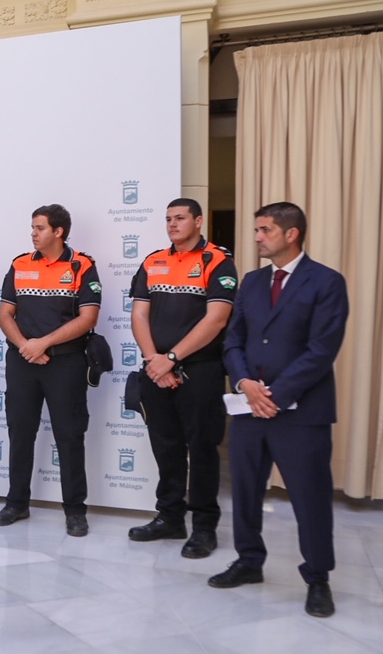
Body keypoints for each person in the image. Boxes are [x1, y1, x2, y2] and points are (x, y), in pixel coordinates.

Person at [211, 202, 348, 618]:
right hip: (249, 407)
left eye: (264, 230)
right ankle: (249, 561)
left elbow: (322, 349)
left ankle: (318, 577)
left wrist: (275, 394)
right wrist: (245, 384)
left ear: (292, 234)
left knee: (310, 498)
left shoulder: (326, 282)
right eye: (256, 230)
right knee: (247, 491)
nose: (256, 237)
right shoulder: (251, 282)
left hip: (302, 412)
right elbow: (233, 339)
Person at [128, 198, 237, 557]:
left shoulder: (218, 261)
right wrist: (154, 361)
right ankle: (170, 518)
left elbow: (216, 319)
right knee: (166, 446)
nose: (173, 224)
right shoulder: (153, 261)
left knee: (203, 449)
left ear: (199, 221)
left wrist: (172, 359)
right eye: (168, 219)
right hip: (156, 371)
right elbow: (140, 316)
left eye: (180, 218)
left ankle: (204, 527)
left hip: (200, 371)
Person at [0, 204, 100, 537]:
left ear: (59, 231)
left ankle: (75, 510)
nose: (33, 233)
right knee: (20, 432)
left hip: (65, 363)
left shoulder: (82, 265)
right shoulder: (20, 264)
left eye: (39, 228)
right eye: (32, 227)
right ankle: (17, 503)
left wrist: (43, 344)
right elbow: (5, 314)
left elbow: (88, 319)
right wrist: (27, 345)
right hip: (23, 361)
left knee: (69, 436)